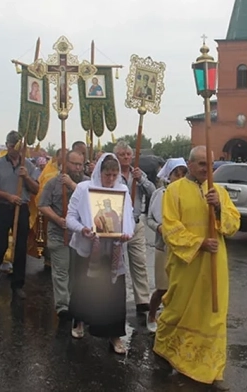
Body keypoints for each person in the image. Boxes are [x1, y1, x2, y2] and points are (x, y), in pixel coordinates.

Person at [154, 146, 240, 390]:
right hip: (187, 263)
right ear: (189, 165)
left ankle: (209, 366)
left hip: (215, 262)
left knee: (214, 312)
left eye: (209, 164)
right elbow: (170, 228)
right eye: (201, 164)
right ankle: (167, 346)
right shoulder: (174, 191)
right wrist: (199, 243)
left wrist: (220, 208)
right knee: (179, 307)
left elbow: (233, 225)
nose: (206, 169)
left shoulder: (219, 192)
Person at [66, 153, 134, 354]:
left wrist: (126, 233)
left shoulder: (122, 190)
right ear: (99, 172)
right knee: (84, 289)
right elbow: (70, 217)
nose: (111, 179)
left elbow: (128, 216)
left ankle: (114, 335)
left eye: (114, 175)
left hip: (113, 251)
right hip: (88, 250)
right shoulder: (84, 189)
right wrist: (82, 229)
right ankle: (79, 322)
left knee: (114, 295)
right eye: (107, 175)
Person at [0, 131, 39, 300]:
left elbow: (36, 189)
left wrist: (27, 177)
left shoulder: (28, 166)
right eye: (13, 146)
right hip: (3, 207)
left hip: (21, 209)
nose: (16, 149)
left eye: (19, 146)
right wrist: (7, 196)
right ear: (8, 146)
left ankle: (17, 284)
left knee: (20, 247)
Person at [38, 150, 87, 318]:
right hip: (58, 233)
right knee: (61, 270)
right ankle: (62, 306)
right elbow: (43, 205)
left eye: (80, 164)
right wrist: (58, 219)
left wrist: (73, 185)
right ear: (66, 163)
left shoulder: (86, 184)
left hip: (79, 236)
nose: (78, 168)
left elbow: (92, 202)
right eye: (74, 164)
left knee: (75, 272)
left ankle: (73, 302)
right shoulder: (52, 183)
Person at [146, 157, 187, 333]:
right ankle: (151, 314)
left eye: (183, 174)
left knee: (180, 289)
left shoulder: (189, 193)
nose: (179, 177)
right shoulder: (160, 194)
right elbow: (149, 218)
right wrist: (159, 227)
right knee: (162, 288)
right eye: (176, 174)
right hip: (163, 247)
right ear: (169, 175)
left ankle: (173, 321)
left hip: (184, 247)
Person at [114, 141, 155, 314]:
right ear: (116, 156)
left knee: (139, 262)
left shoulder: (138, 173)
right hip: (118, 225)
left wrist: (142, 180)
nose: (125, 157)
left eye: (128, 154)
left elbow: (153, 192)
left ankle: (143, 301)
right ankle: (115, 299)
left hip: (136, 224)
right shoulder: (111, 173)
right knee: (116, 263)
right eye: (122, 154)